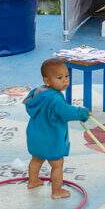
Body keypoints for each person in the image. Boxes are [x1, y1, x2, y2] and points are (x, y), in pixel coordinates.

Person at [24, 58, 89, 199]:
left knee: (36, 159)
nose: (65, 80)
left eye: (67, 76)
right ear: (47, 81)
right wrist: (81, 113)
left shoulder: (37, 92)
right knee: (57, 165)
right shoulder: (55, 98)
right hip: (51, 139)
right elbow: (65, 111)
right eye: (59, 77)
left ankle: (33, 181)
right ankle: (57, 191)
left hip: (35, 136)